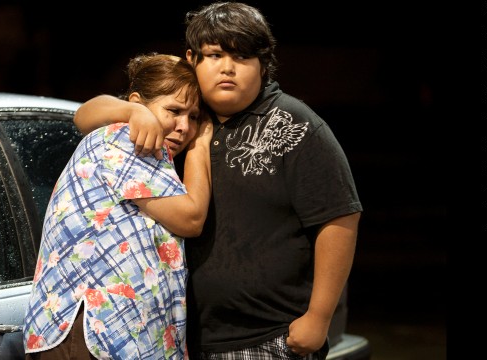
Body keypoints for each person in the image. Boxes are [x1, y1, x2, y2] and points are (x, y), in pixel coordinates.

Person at [72, 3, 363, 360]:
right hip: (179, 337)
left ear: (263, 64)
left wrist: (318, 318)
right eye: (215, 55)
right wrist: (132, 110)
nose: (227, 67)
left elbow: (339, 217)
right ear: (192, 59)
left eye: (241, 56)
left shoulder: (295, 124)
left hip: (268, 337)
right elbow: (85, 114)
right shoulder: (180, 121)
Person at [23, 53, 212, 360]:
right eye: (174, 111)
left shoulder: (149, 151)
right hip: (93, 335)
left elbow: (84, 114)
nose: (184, 127)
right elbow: (191, 219)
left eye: (194, 117)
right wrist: (201, 146)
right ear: (139, 102)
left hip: (113, 339)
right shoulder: (124, 139)